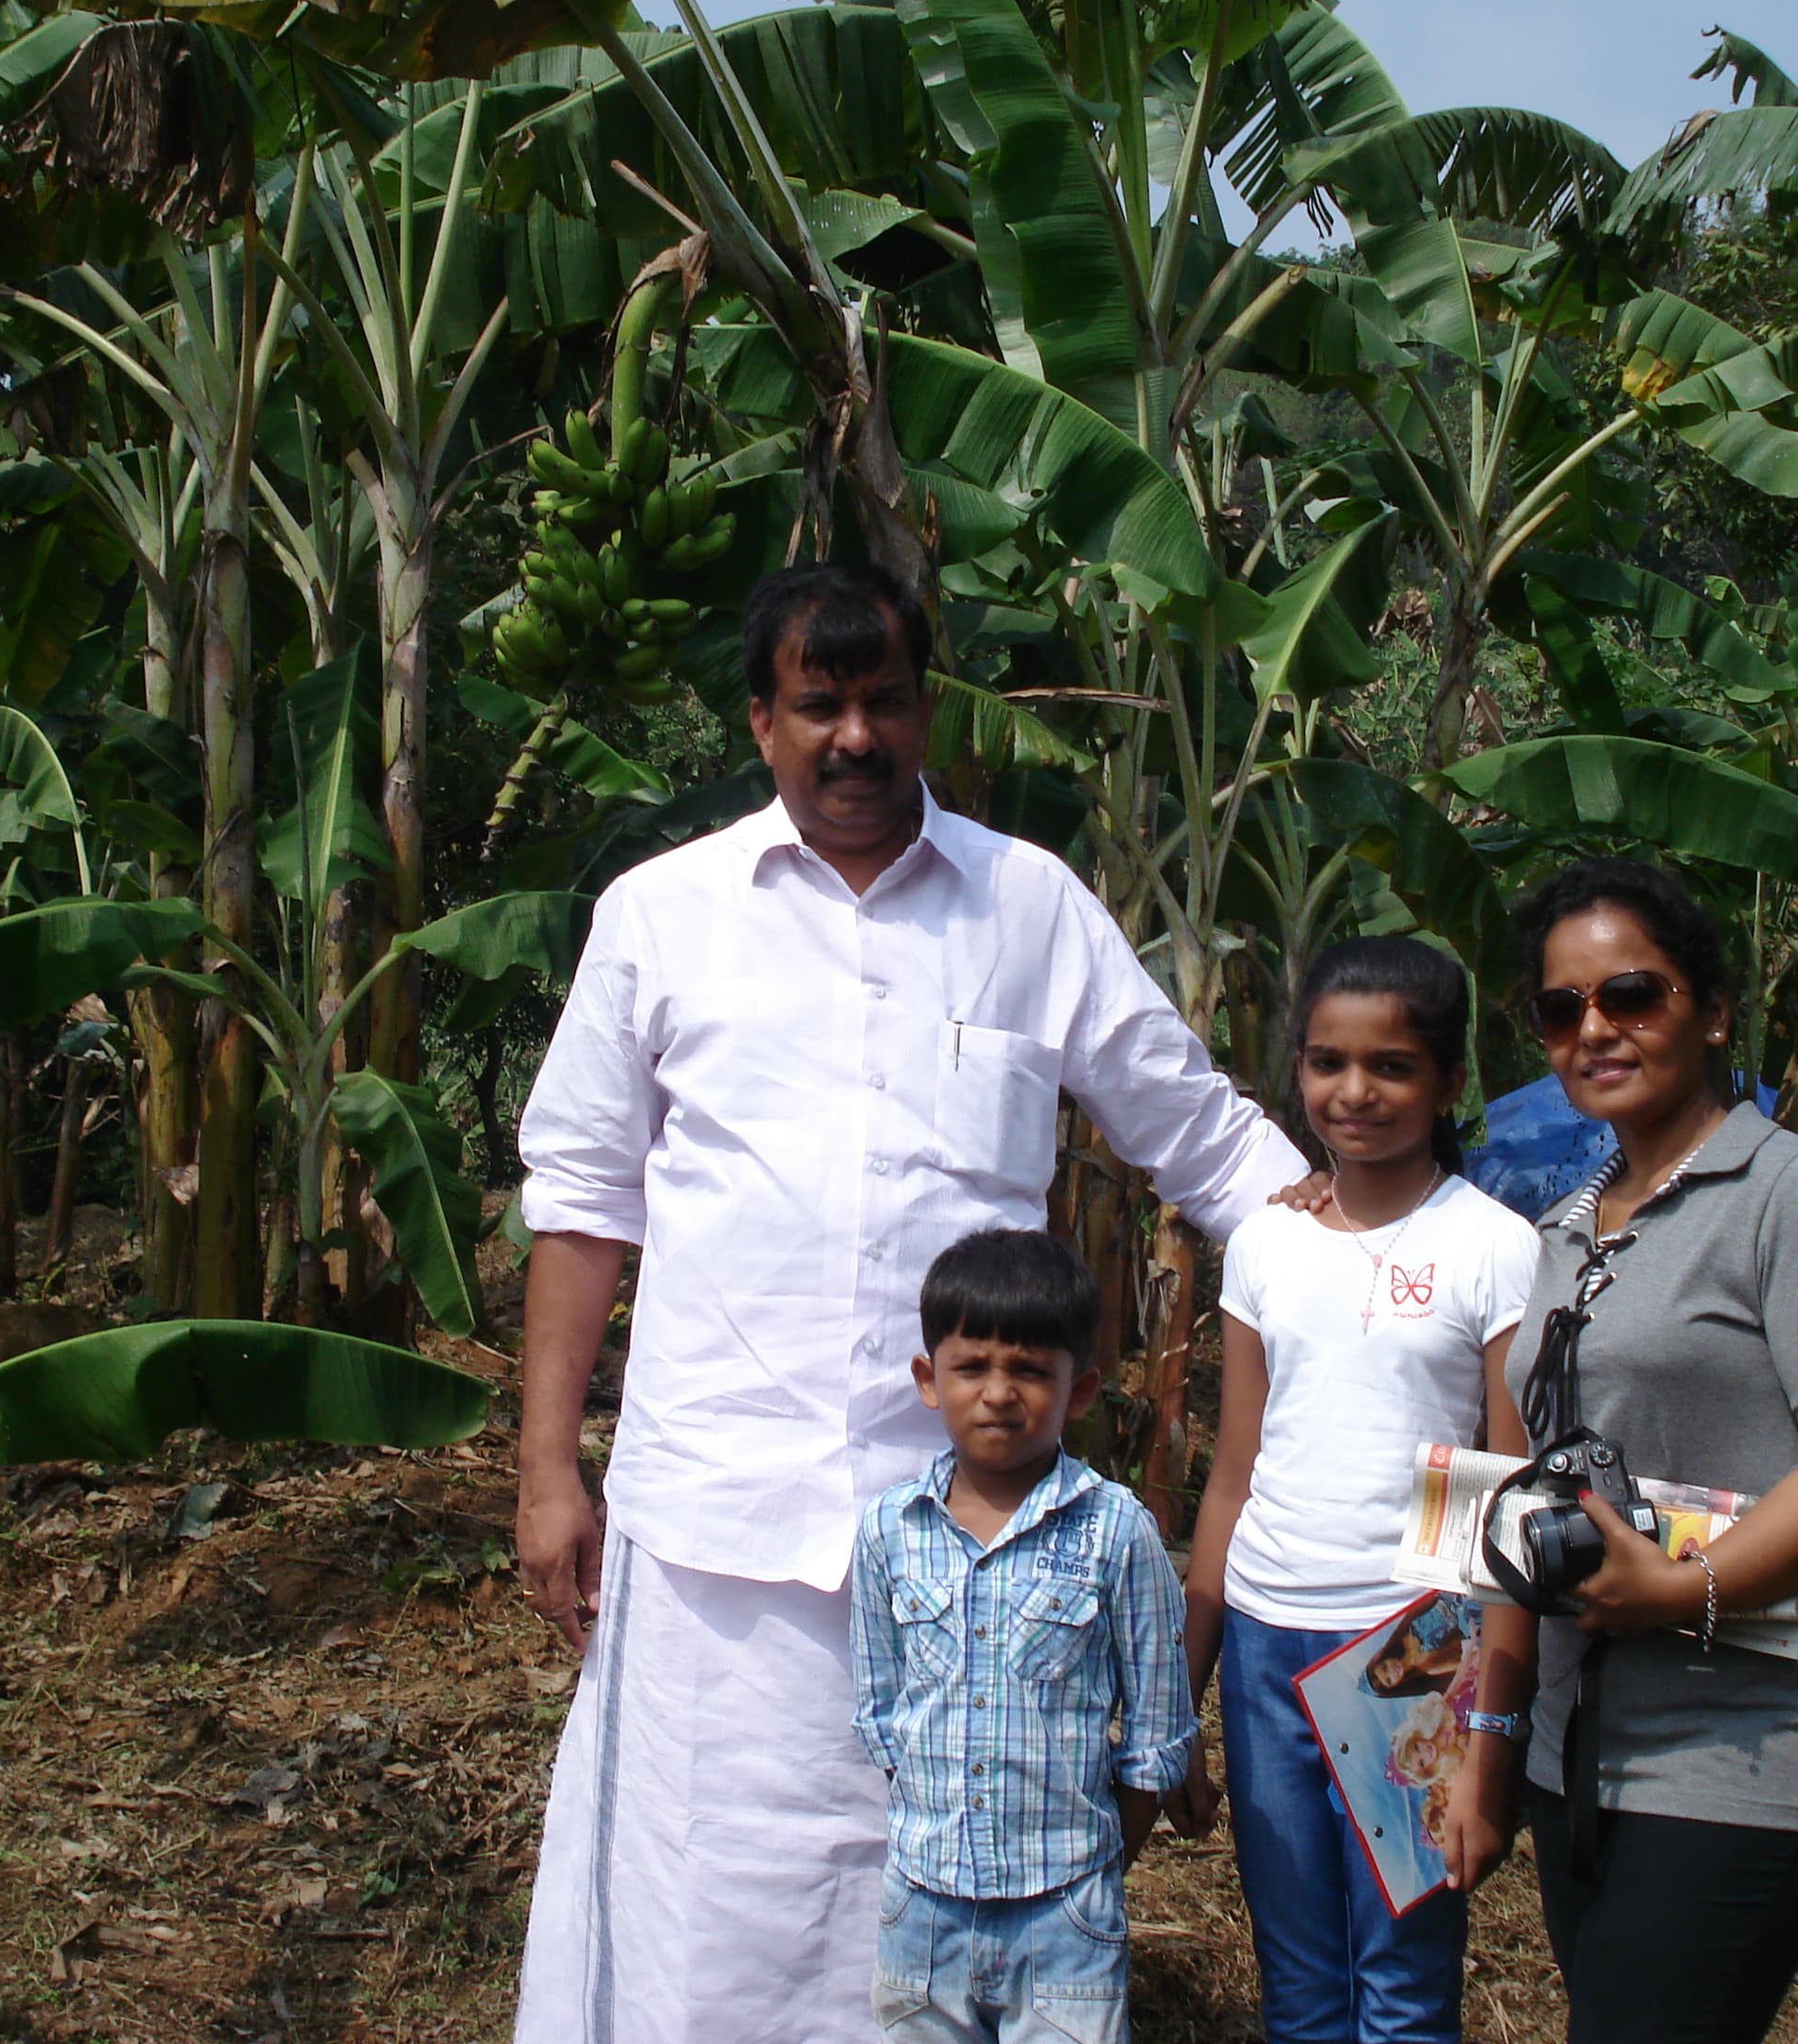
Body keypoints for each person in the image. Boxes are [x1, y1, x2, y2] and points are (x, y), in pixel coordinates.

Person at [512, 563, 1308, 2044]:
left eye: (884, 702)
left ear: (927, 711)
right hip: (713, 1529)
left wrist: (1370, 1250)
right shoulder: (662, 917)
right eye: (819, 705)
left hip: (965, 1541)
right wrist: (548, 1469)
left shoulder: (1029, 906)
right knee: (696, 1912)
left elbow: (1190, 1127)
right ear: (763, 724)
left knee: (938, 1906)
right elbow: (581, 1198)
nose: (855, 737)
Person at [1501, 858, 1798, 2044]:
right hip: (1580, 1744)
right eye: (1562, 1008)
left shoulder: (1790, 1197)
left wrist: (1686, 1585)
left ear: (1710, 1009)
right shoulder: (1566, 1223)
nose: (1595, 1028)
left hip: (1749, 1748)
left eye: (1631, 995)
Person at [1170, 935, 1542, 2044]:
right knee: (1298, 1982)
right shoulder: (1268, 1241)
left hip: (1411, 1647)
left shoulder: (1491, 1248)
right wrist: (1179, 1700)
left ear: (1448, 1083)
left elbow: (1500, 1497)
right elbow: (1233, 1477)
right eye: (1328, 1062)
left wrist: (1489, 1732)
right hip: (1265, 1637)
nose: (1355, 1092)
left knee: (1403, 1984)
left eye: (1391, 1066)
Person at [851, 1228, 1194, 2044]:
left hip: (1065, 1914)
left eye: (1031, 1371)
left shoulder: (1118, 1533)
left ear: (1081, 1393)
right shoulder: (888, 1532)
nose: (998, 1393)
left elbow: (1155, 1735)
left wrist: (1092, 1871)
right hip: (921, 1913)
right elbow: (883, 1713)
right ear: (929, 1381)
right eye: (971, 1368)